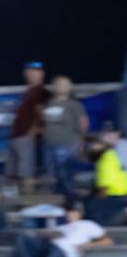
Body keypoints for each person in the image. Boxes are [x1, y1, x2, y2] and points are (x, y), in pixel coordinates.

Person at [8, 205, 112, 257]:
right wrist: (44, 234)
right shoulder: (62, 227)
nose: (69, 214)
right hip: (48, 247)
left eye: (72, 212)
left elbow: (108, 241)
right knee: (23, 238)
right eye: (68, 212)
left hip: (65, 251)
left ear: (79, 214)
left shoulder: (88, 224)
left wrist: (87, 246)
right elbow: (45, 236)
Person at [41, 75, 88, 205]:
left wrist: (81, 141)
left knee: (66, 174)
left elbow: (83, 122)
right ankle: (57, 199)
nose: (61, 86)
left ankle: (71, 201)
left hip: (68, 144)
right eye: (58, 84)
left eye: (64, 84)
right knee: (52, 174)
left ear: (69, 87)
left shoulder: (74, 105)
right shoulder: (48, 103)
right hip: (49, 145)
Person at [9, 61, 50, 195]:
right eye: (29, 71)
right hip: (16, 136)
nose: (31, 74)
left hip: (27, 138)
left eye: (35, 72)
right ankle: (19, 200)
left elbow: (43, 113)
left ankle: (28, 198)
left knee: (26, 172)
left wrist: (33, 131)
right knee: (13, 172)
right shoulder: (26, 93)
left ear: (42, 74)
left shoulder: (42, 92)